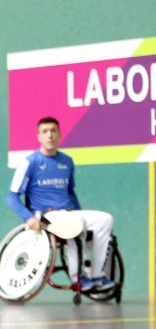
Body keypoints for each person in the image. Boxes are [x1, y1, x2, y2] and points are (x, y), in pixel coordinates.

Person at [6, 116, 116, 291]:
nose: (49, 135)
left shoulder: (67, 161)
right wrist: (28, 218)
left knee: (105, 219)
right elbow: (11, 196)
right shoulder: (30, 162)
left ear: (59, 134)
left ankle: (97, 276)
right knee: (76, 224)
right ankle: (78, 279)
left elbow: (70, 192)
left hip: (68, 213)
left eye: (53, 131)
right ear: (39, 136)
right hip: (45, 216)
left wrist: (81, 215)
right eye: (45, 131)